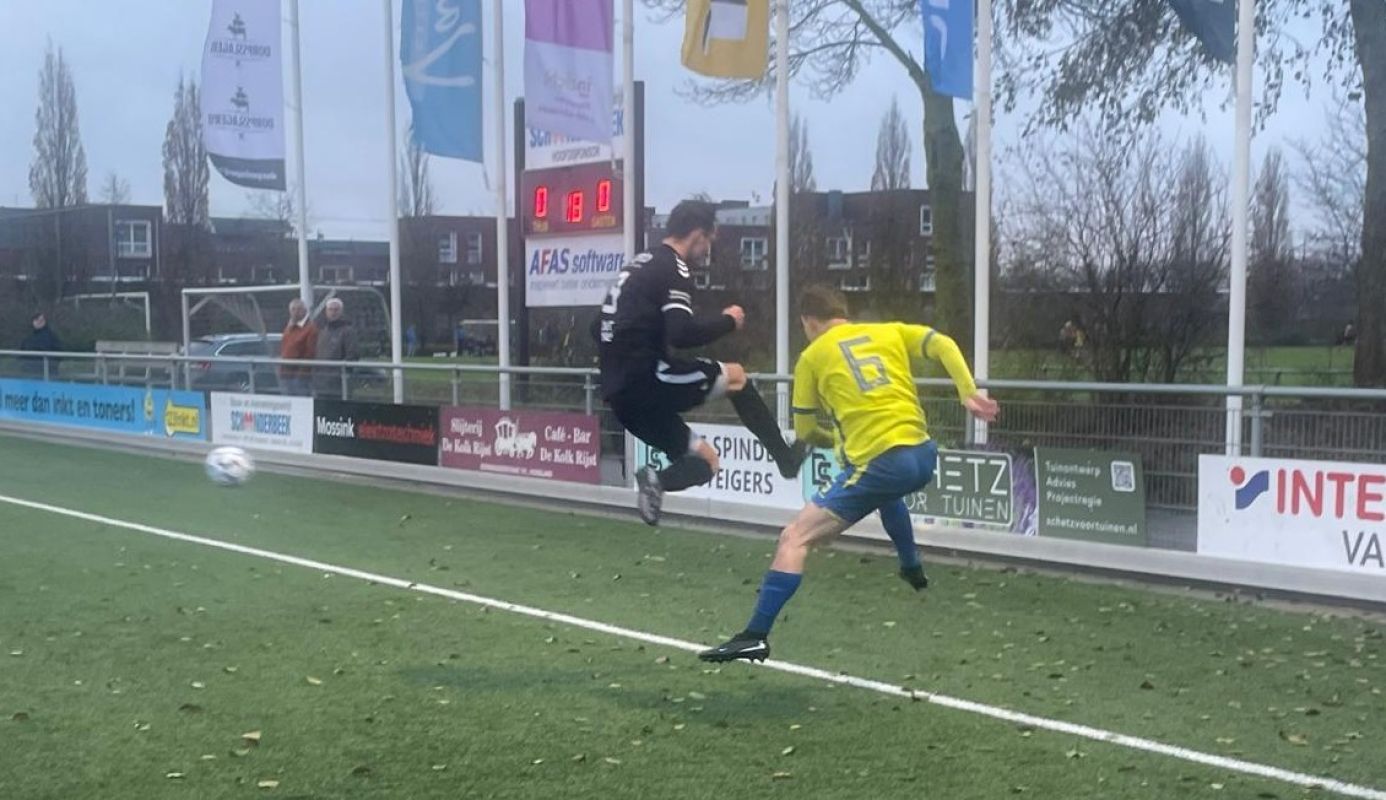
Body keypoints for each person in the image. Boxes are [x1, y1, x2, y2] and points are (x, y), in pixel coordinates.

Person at [699, 286, 1000, 663]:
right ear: (843, 313)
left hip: (882, 463)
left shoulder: (811, 358)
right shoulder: (888, 331)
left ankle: (754, 636)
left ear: (808, 321)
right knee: (886, 492)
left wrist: (834, 441)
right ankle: (912, 567)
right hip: (923, 454)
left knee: (794, 537)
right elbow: (943, 343)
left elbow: (806, 431)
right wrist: (967, 392)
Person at [595, 199, 807, 526]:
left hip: (618, 394)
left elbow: (596, 327)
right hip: (647, 379)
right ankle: (786, 460)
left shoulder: (636, 266)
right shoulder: (673, 267)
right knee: (736, 377)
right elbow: (680, 334)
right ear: (697, 234)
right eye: (709, 240)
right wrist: (728, 321)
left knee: (707, 462)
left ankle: (655, 481)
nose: (708, 249)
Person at [314, 298, 360, 398]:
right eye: (330, 309)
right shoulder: (322, 331)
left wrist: (341, 374)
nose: (333, 312)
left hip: (339, 384)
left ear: (341, 311)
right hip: (320, 382)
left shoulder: (348, 331)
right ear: (326, 312)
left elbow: (353, 355)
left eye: (336, 309)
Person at [279, 299, 318, 396]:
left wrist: (301, 374)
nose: (296, 312)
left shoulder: (311, 329)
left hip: (300, 376)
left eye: (299, 309)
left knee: (301, 400)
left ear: (305, 311)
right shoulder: (288, 328)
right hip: (286, 373)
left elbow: (310, 353)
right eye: (293, 309)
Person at [19, 312, 62, 377]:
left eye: (41, 320)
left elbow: (58, 354)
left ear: (45, 322)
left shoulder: (52, 337)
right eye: (36, 320)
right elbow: (22, 353)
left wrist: (51, 366)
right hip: (29, 373)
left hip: (47, 373)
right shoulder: (29, 338)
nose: (38, 322)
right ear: (33, 322)